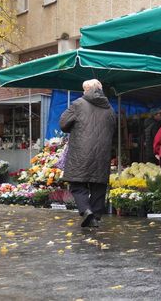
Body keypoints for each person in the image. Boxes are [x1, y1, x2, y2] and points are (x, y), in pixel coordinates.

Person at [59, 79, 115, 228]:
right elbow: (113, 127)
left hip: (81, 152)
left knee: (77, 183)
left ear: (88, 90)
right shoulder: (109, 107)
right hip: (102, 152)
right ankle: (95, 216)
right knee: (98, 184)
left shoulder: (78, 104)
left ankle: (86, 211)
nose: (83, 92)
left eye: (84, 89)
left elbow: (63, 123)